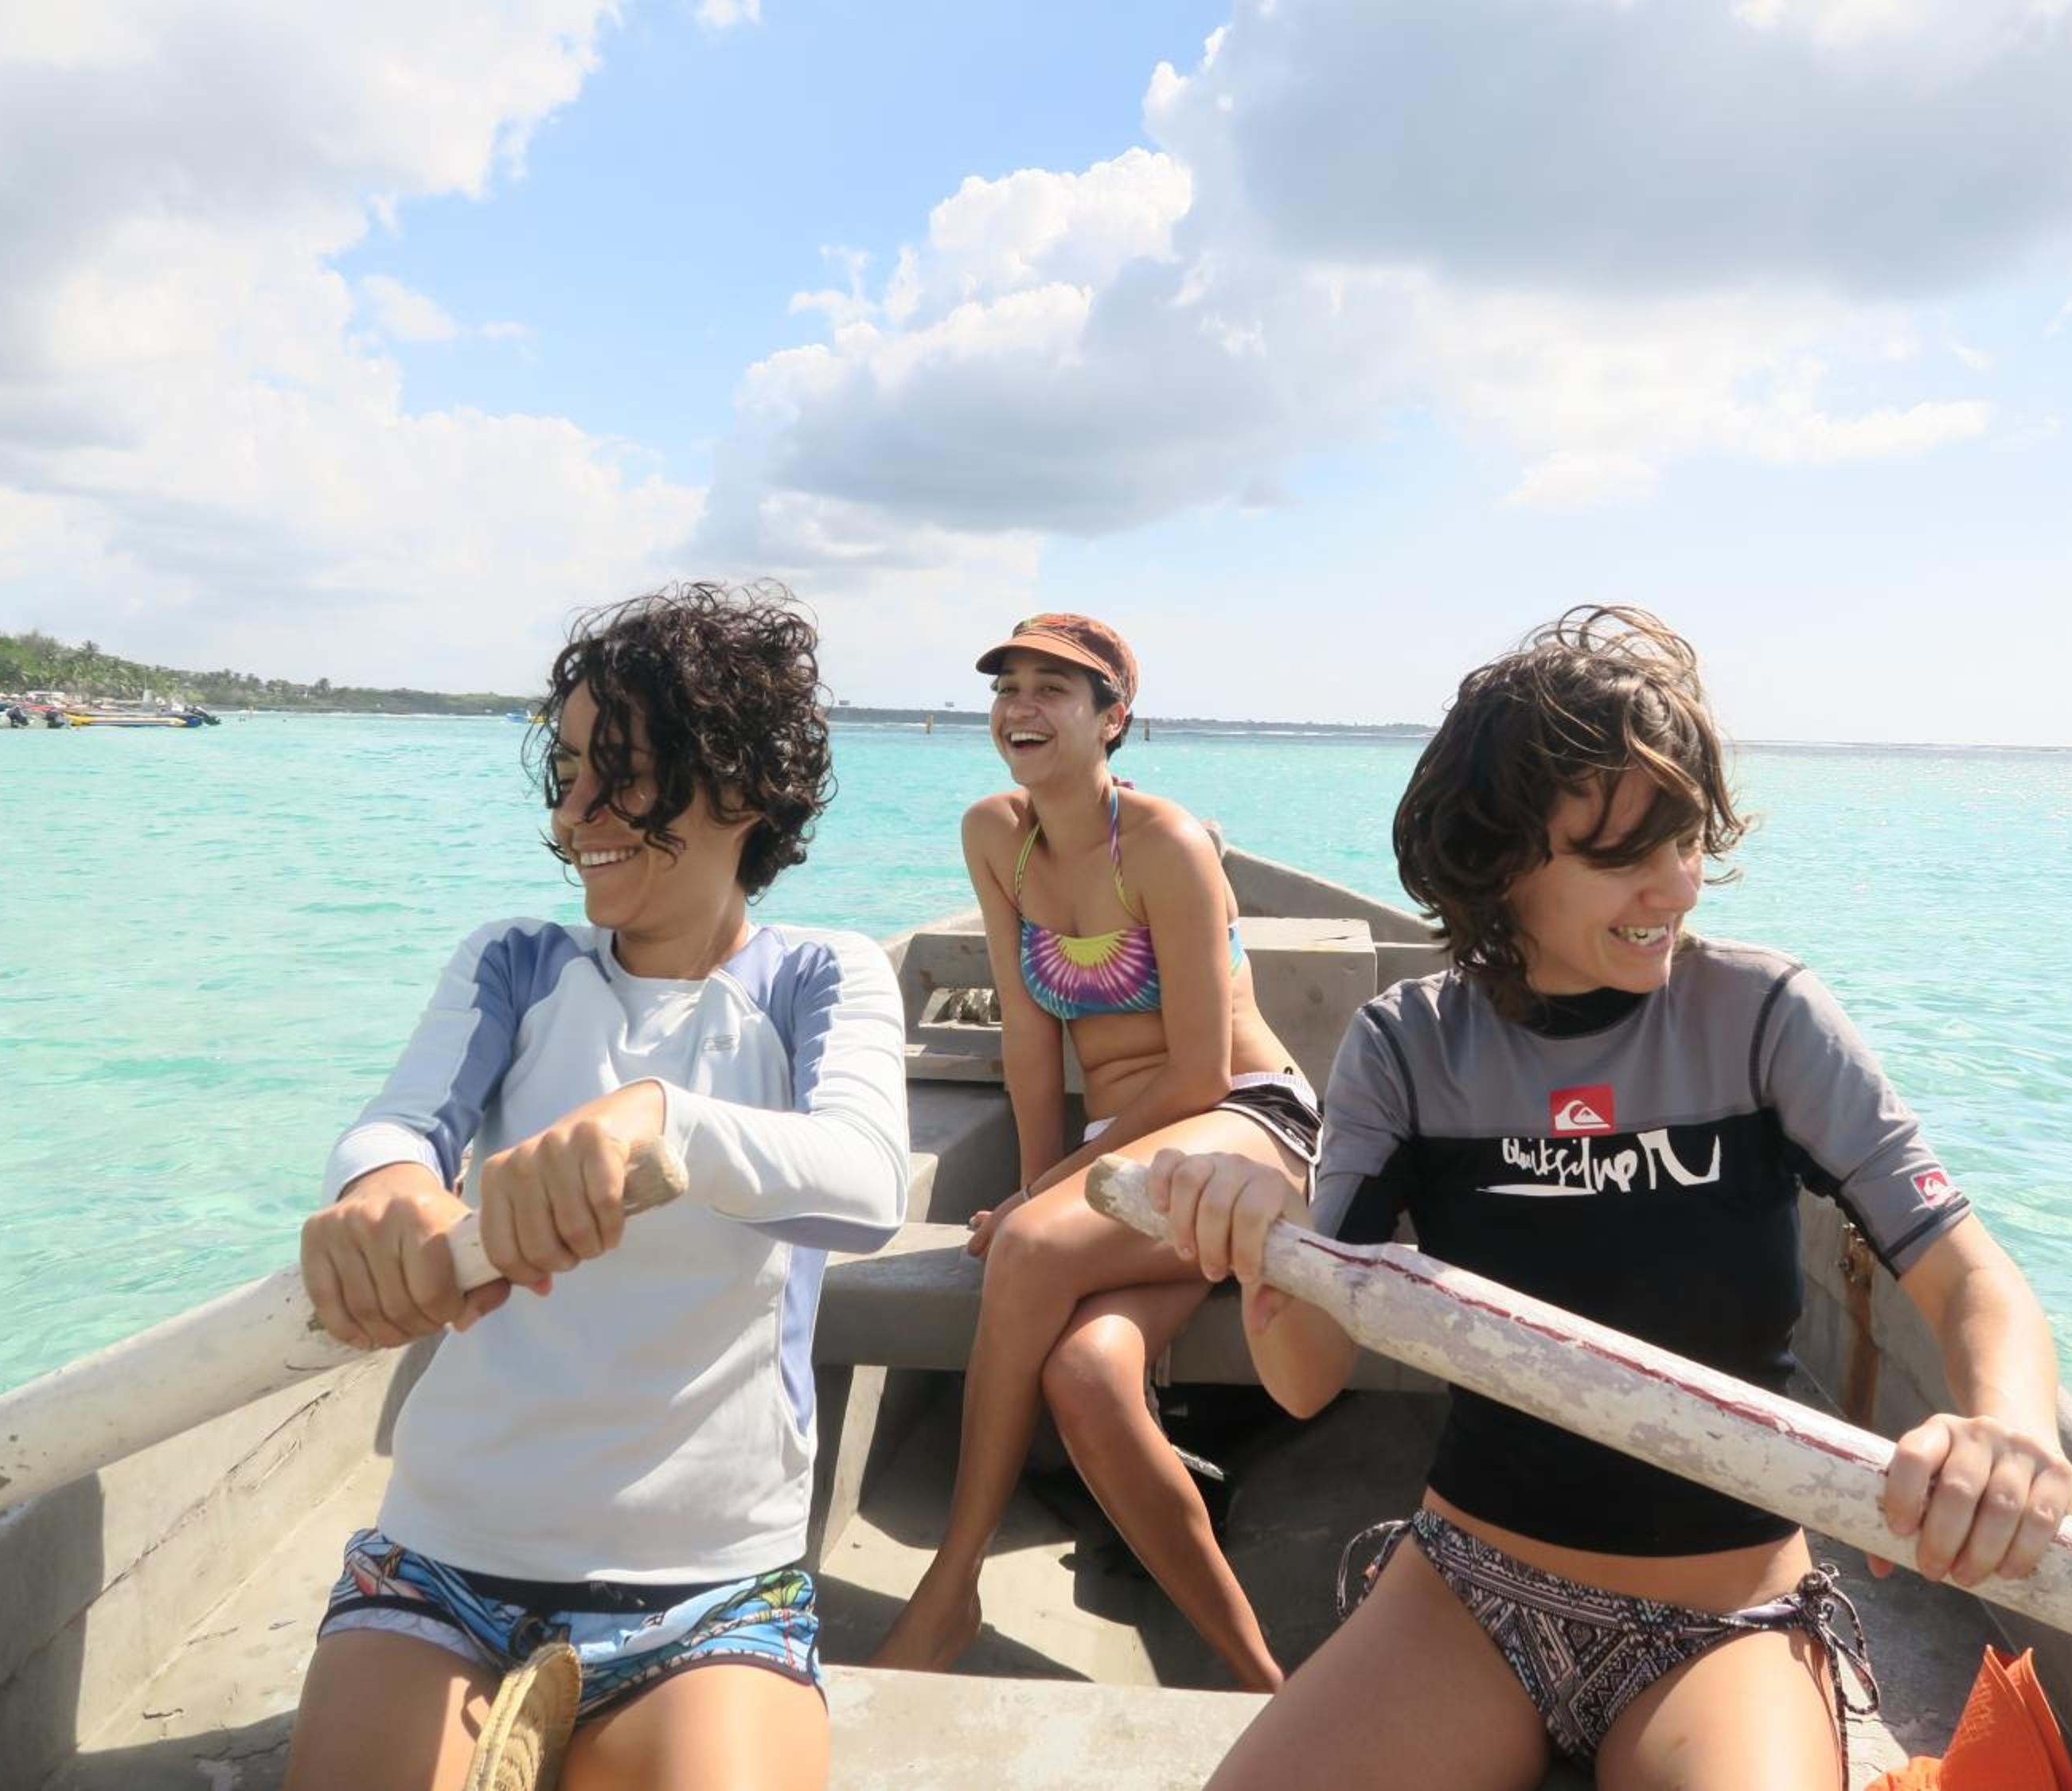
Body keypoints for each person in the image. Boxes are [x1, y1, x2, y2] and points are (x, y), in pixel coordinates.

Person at [1149, 607, 2072, 1789]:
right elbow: (1305, 1377)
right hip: (1469, 1592)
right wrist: (1268, 1241)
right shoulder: (1409, 1047)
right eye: (1622, 854)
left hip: (1728, 1620)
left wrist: (2012, 1426)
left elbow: (1969, 1276)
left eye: (1684, 839)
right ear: (1499, 864)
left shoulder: (1765, 1020)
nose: (1677, 884)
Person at [283, 583, 909, 1791]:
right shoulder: (513, 964)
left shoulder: (821, 977)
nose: (575, 816)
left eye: (620, 776)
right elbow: (397, 1126)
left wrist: (659, 1123)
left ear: (743, 787)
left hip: (712, 1585)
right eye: (568, 773)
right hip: (443, 1561)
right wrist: (388, 1191)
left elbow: (865, 1181)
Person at [870, 613, 1320, 1689]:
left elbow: (1201, 1072)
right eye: (1007, 687)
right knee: (1086, 1376)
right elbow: (1031, 1044)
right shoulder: (997, 836)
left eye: (1053, 690)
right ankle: (1262, 1681)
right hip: (1125, 1166)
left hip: (1244, 1132)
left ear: (1113, 718)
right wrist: (1037, 1182)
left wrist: (1042, 1204)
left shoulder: (1165, 844)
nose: (1020, 708)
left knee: (1029, 1246)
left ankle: (950, 1585)